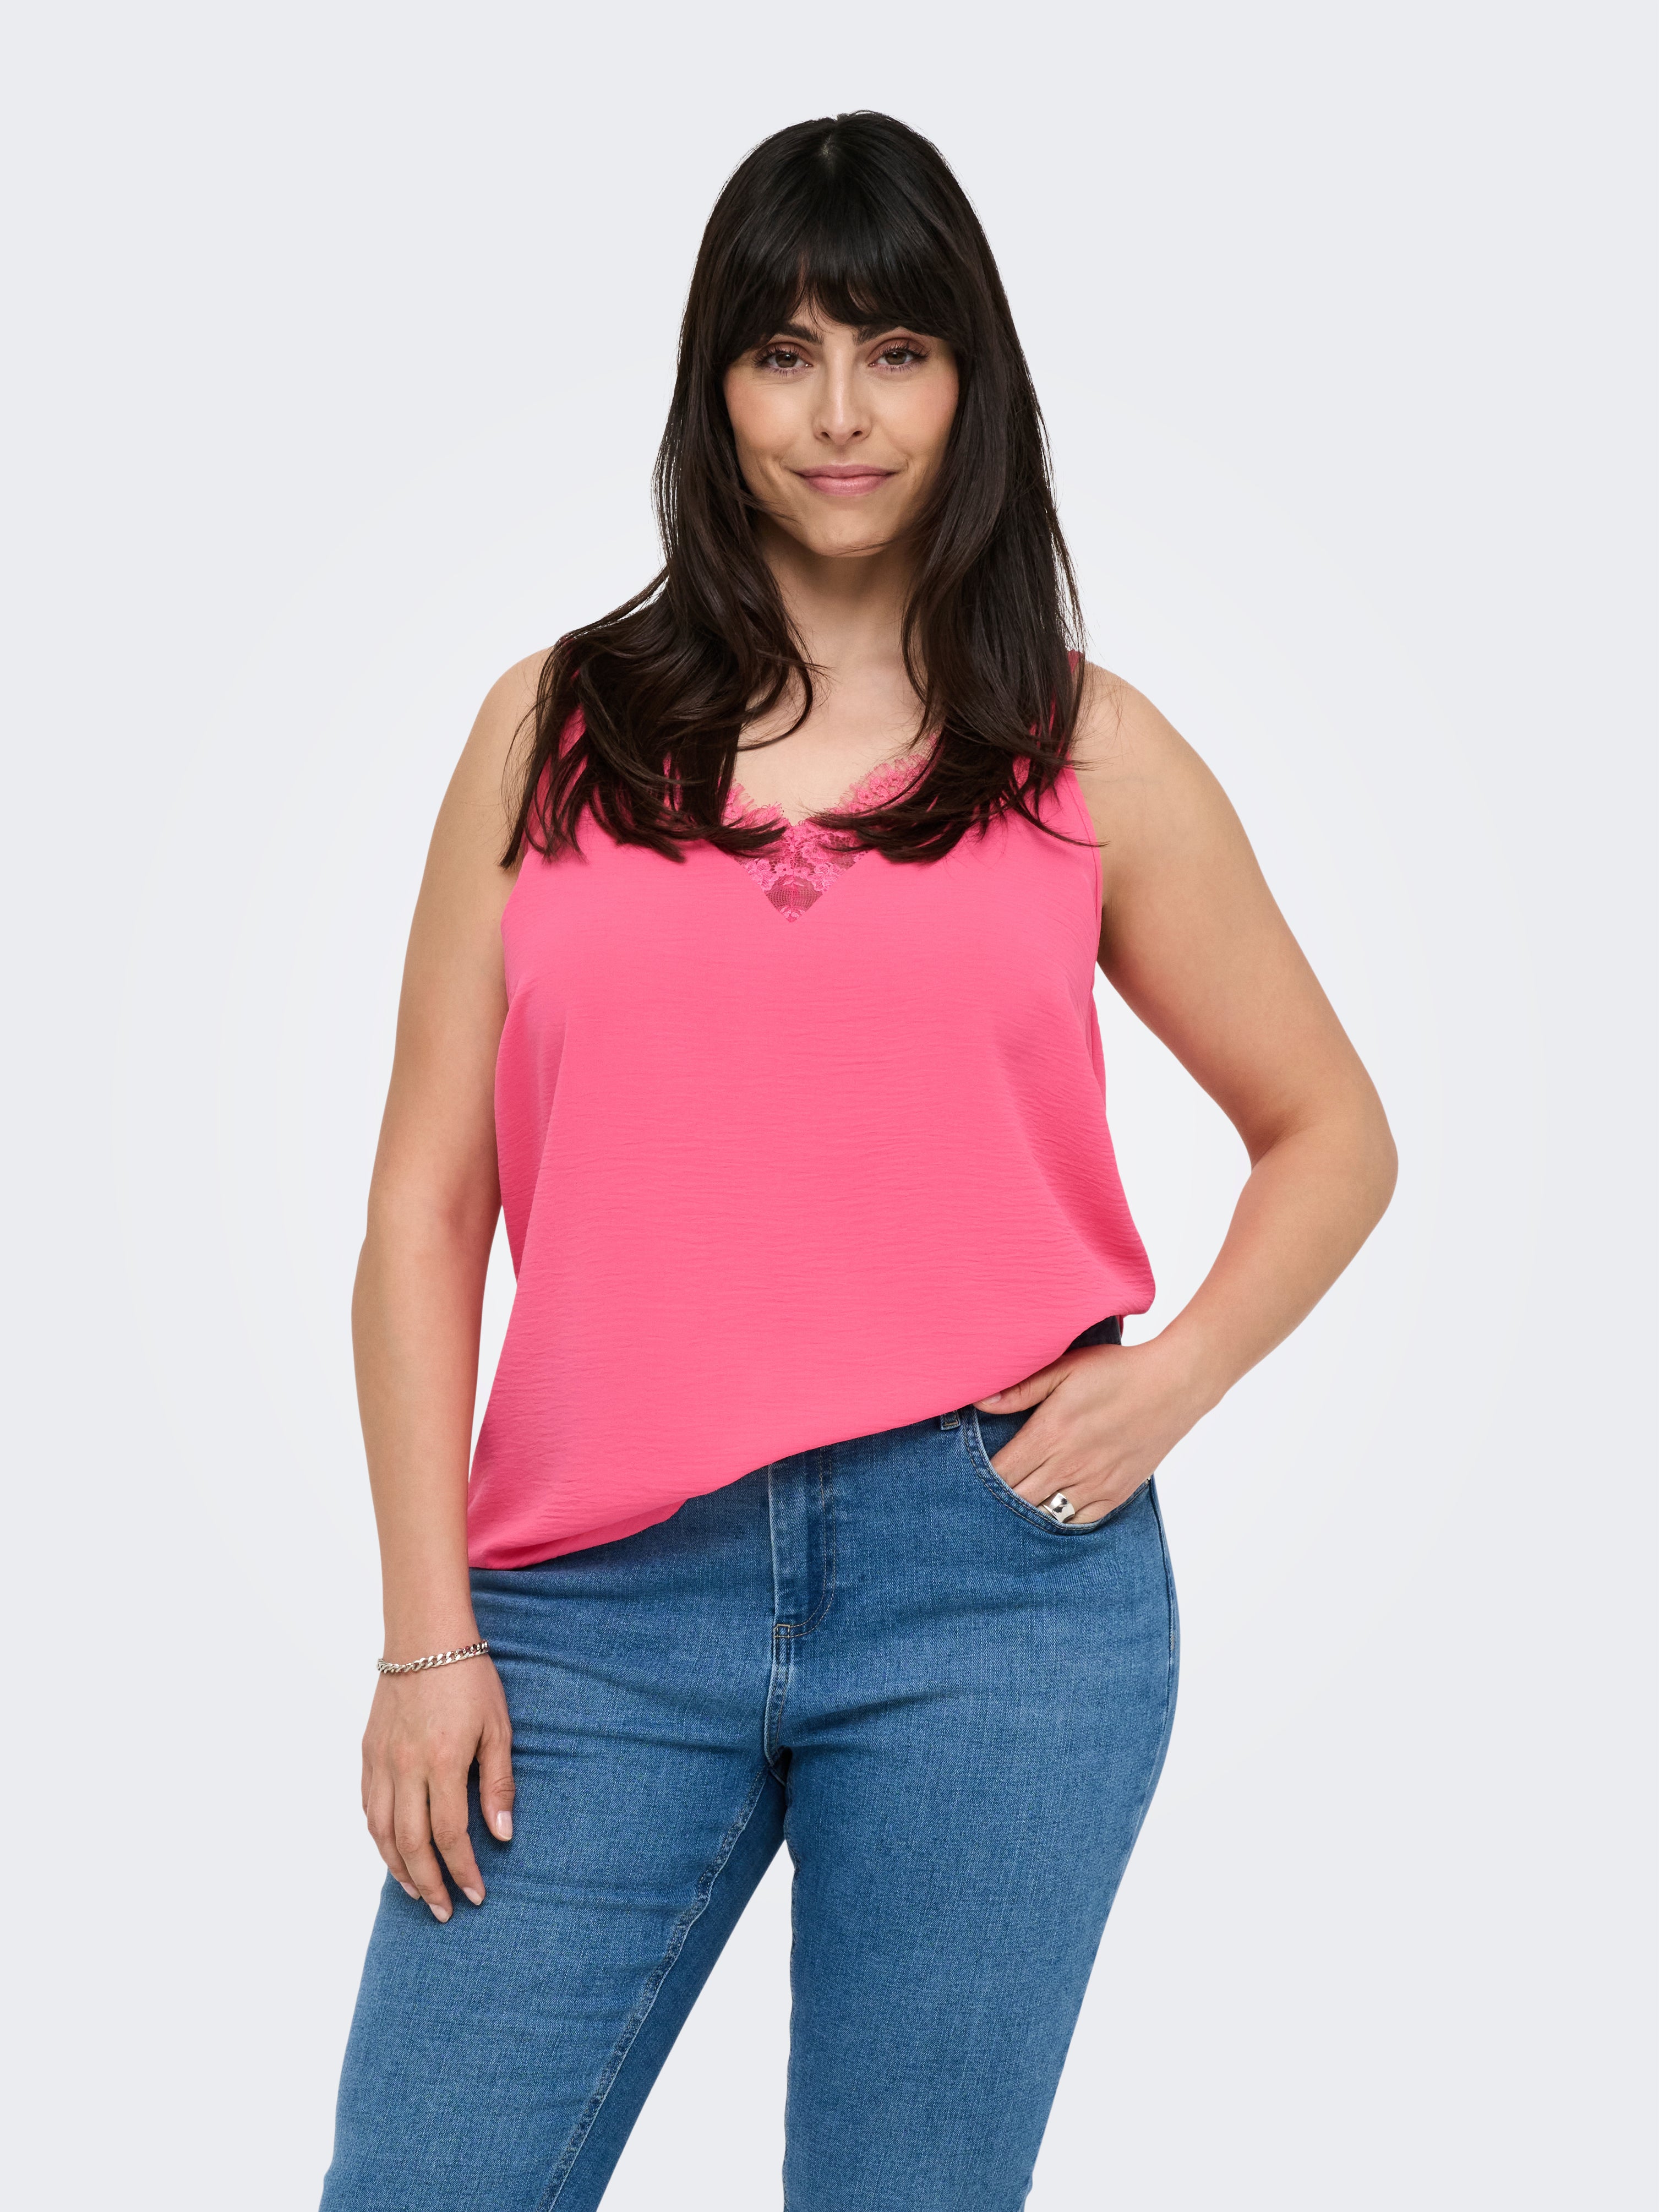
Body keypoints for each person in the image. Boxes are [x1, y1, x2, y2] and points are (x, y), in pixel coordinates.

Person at [319, 110, 1396, 2212]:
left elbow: (1332, 1130)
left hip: (994, 1591)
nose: (839, 413)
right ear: (713, 388)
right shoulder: (550, 728)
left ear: (970, 384)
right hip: (586, 1605)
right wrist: (424, 1633)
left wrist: (1171, 1380)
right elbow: (424, 1208)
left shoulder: (1083, 748)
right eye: (785, 351)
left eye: (896, 351)